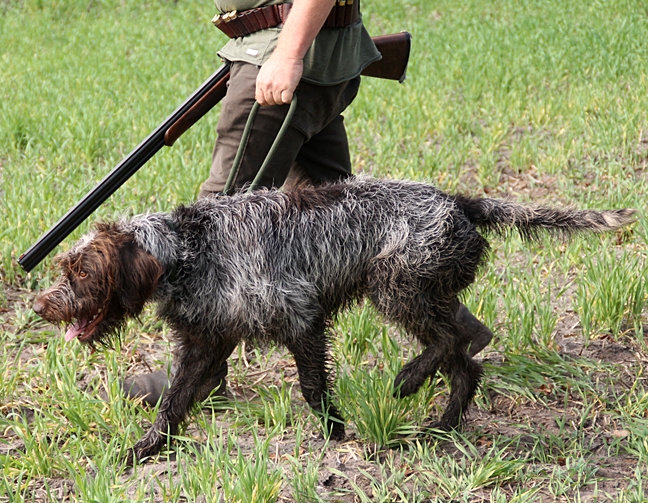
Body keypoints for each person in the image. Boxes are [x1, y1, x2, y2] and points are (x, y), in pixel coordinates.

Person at [119, 0, 492, 406]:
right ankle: (452, 326)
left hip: (282, 55)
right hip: (297, 51)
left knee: (215, 232)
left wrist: (289, 53)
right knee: (342, 219)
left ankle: (199, 377)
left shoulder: (287, 55)